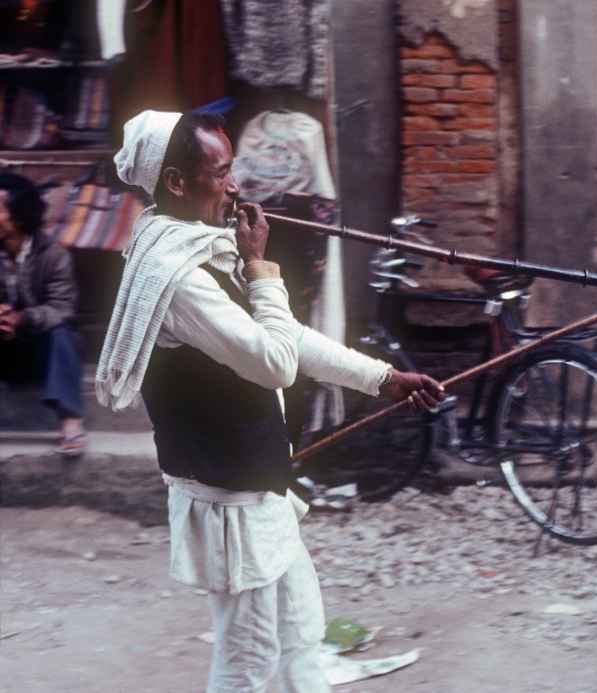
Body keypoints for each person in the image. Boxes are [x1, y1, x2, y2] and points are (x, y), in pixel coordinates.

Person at [96, 110, 445, 692]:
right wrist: (262, 268)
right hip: (231, 498)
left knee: (301, 636)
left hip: (259, 487)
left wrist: (382, 377)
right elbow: (275, 361)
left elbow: (284, 337)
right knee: (249, 660)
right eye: (221, 171)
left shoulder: (199, 246)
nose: (235, 185)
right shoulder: (176, 274)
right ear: (177, 183)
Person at [0, 172, 86, 456]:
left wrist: (23, 318)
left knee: (64, 333)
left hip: (38, 352)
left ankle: (71, 421)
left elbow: (63, 308)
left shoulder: (54, 255)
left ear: (19, 216)